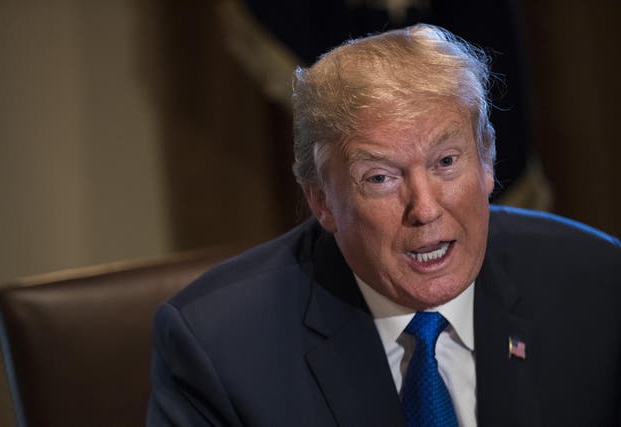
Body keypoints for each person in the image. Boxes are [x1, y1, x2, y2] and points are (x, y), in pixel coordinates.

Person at [147, 24, 620, 426]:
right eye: (380, 178)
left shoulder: (599, 286)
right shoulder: (217, 348)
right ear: (321, 200)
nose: (425, 208)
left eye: (446, 161)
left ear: (488, 159)